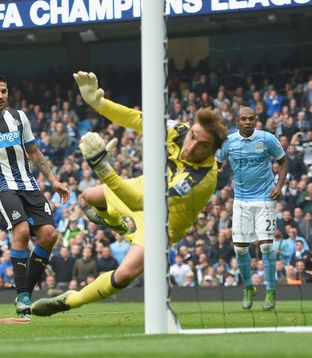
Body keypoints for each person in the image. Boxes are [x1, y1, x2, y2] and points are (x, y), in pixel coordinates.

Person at [31, 72, 227, 316]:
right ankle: (120, 226)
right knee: (89, 196)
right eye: (192, 137)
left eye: (202, 145)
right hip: (144, 187)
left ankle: (69, 301)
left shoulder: (202, 179)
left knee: (125, 274)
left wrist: (104, 168)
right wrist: (99, 104)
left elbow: (146, 204)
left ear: (213, 150)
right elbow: (137, 119)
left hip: (165, 221)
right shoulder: (179, 130)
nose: (191, 146)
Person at [0, 73, 69, 317]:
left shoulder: (19, 117)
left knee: (49, 235)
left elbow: (34, 151)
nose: (1, 96)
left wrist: (53, 181)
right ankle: (22, 298)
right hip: (2, 187)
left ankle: (25, 291)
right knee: (20, 231)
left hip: (29, 185)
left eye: (4, 91)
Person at [216, 107, 287, 311]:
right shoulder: (229, 142)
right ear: (237, 121)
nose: (247, 122)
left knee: (265, 246)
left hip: (265, 198)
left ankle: (271, 291)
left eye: (251, 119)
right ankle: (249, 287)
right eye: (243, 119)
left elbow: (283, 162)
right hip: (241, 201)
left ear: (256, 120)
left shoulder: (267, 139)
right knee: (240, 248)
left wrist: (279, 186)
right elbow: (216, 163)